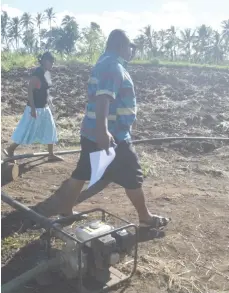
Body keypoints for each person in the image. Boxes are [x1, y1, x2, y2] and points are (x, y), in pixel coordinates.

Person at [34, 30, 170, 229]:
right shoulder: (112, 66)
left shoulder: (105, 63)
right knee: (133, 174)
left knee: (82, 172)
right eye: (130, 47)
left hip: (95, 131)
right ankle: (145, 217)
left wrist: (125, 120)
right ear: (121, 46)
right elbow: (104, 98)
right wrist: (103, 131)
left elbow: (112, 99)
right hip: (112, 135)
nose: (131, 52)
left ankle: (66, 210)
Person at [4, 52, 62, 161]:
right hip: (34, 107)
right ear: (44, 61)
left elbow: (46, 89)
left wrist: (50, 102)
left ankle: (50, 154)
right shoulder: (37, 73)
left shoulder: (46, 73)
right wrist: (33, 109)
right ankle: (10, 148)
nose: (52, 64)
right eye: (51, 62)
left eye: (53, 62)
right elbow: (30, 90)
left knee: (50, 128)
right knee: (27, 129)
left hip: (44, 107)